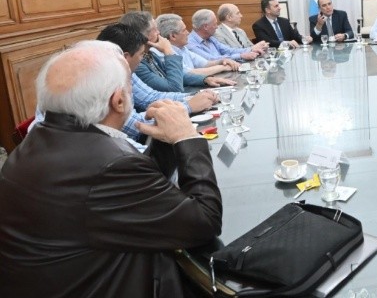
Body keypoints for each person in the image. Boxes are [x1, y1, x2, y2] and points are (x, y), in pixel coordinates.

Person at [0, 45, 222, 297]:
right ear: (118, 100)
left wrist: (163, 141)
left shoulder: (42, 137)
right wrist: (187, 138)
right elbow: (204, 223)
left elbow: (135, 195)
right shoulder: (110, 165)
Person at [98, 23, 216, 115]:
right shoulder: (105, 79)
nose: (159, 33)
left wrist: (197, 95)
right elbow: (132, 124)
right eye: (141, 54)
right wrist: (188, 106)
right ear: (125, 57)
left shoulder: (125, 69)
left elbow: (150, 96)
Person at [154, 13, 238, 87]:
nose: (188, 32)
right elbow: (189, 73)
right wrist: (222, 67)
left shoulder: (182, 48)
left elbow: (205, 63)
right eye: (184, 30)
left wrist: (222, 61)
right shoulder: (163, 53)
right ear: (173, 36)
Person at [120, 11, 185, 93]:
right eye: (155, 29)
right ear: (143, 35)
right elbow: (175, 89)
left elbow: (175, 75)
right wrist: (169, 52)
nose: (158, 32)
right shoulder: (137, 64)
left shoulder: (149, 53)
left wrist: (204, 79)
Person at [189, 9, 265, 61]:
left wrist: (251, 50)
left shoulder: (210, 38)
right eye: (215, 24)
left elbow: (228, 50)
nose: (217, 27)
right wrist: (241, 56)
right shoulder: (190, 43)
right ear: (205, 26)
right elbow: (211, 59)